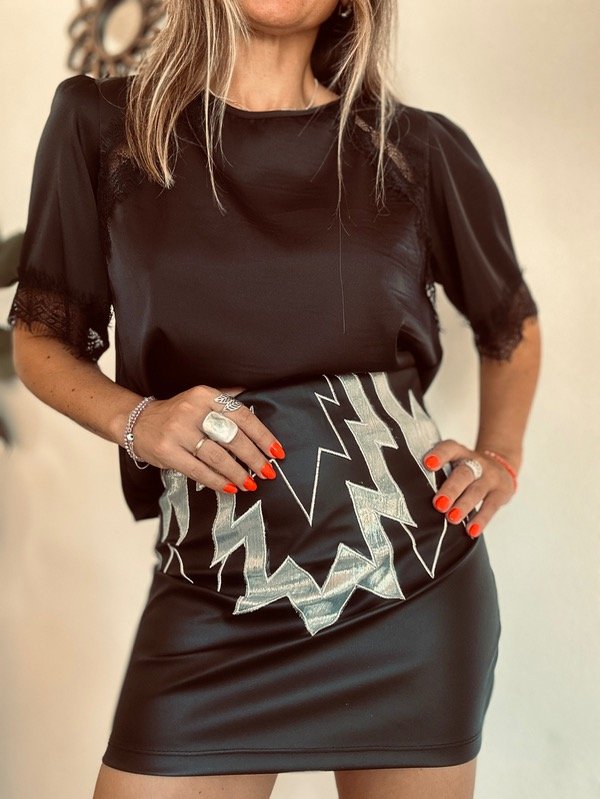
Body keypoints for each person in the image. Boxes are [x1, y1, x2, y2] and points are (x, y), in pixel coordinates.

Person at [8, 1, 541, 797]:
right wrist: (138, 420)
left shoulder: (413, 148)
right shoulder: (106, 125)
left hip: (409, 586)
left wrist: (501, 453)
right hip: (211, 586)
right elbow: (41, 338)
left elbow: (511, 327)